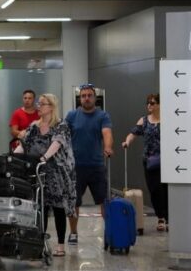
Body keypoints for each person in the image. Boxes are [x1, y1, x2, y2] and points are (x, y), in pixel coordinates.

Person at [15, 94, 76, 256]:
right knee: (40, 208)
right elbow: (24, 145)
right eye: (39, 103)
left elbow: (56, 144)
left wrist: (44, 158)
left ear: (51, 107)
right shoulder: (34, 126)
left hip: (56, 172)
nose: (38, 106)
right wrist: (12, 157)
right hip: (37, 173)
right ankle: (39, 242)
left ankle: (61, 244)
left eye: (42, 104)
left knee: (58, 208)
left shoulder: (60, 125)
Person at [65, 84, 113, 245]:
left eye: (89, 95)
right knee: (74, 201)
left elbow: (106, 133)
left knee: (104, 201)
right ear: (79, 98)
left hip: (96, 166)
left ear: (94, 98)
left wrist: (107, 147)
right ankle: (73, 232)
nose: (86, 98)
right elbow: (63, 136)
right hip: (75, 166)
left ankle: (110, 232)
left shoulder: (102, 115)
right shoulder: (72, 116)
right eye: (83, 95)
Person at [122, 93, 168, 231]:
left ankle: (169, 218)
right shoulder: (144, 120)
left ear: (159, 105)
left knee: (166, 190)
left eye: (152, 103)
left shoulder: (167, 120)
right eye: (148, 103)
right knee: (154, 190)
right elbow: (133, 133)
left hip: (167, 160)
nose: (149, 105)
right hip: (150, 161)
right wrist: (127, 141)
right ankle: (160, 217)